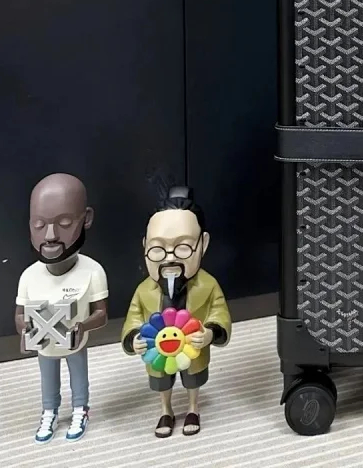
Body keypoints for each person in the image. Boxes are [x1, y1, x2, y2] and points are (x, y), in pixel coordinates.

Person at [121, 186, 231, 438]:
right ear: (144, 246)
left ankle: (193, 407)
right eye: (157, 249)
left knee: (193, 377)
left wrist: (210, 333)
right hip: (158, 351)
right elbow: (134, 317)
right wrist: (134, 337)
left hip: (193, 347)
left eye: (183, 247)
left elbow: (219, 312)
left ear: (202, 244)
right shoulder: (144, 290)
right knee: (161, 380)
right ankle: (165, 410)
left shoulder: (208, 285)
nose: (169, 258)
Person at [15, 173, 109, 444]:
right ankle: (49, 411)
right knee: (48, 378)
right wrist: (25, 329)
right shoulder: (29, 276)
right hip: (45, 345)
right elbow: (20, 313)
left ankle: (80, 409)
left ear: (86, 218)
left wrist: (83, 326)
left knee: (78, 374)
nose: (50, 236)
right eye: (39, 224)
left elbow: (101, 314)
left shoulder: (93, 271)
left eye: (65, 223)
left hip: (74, 343)